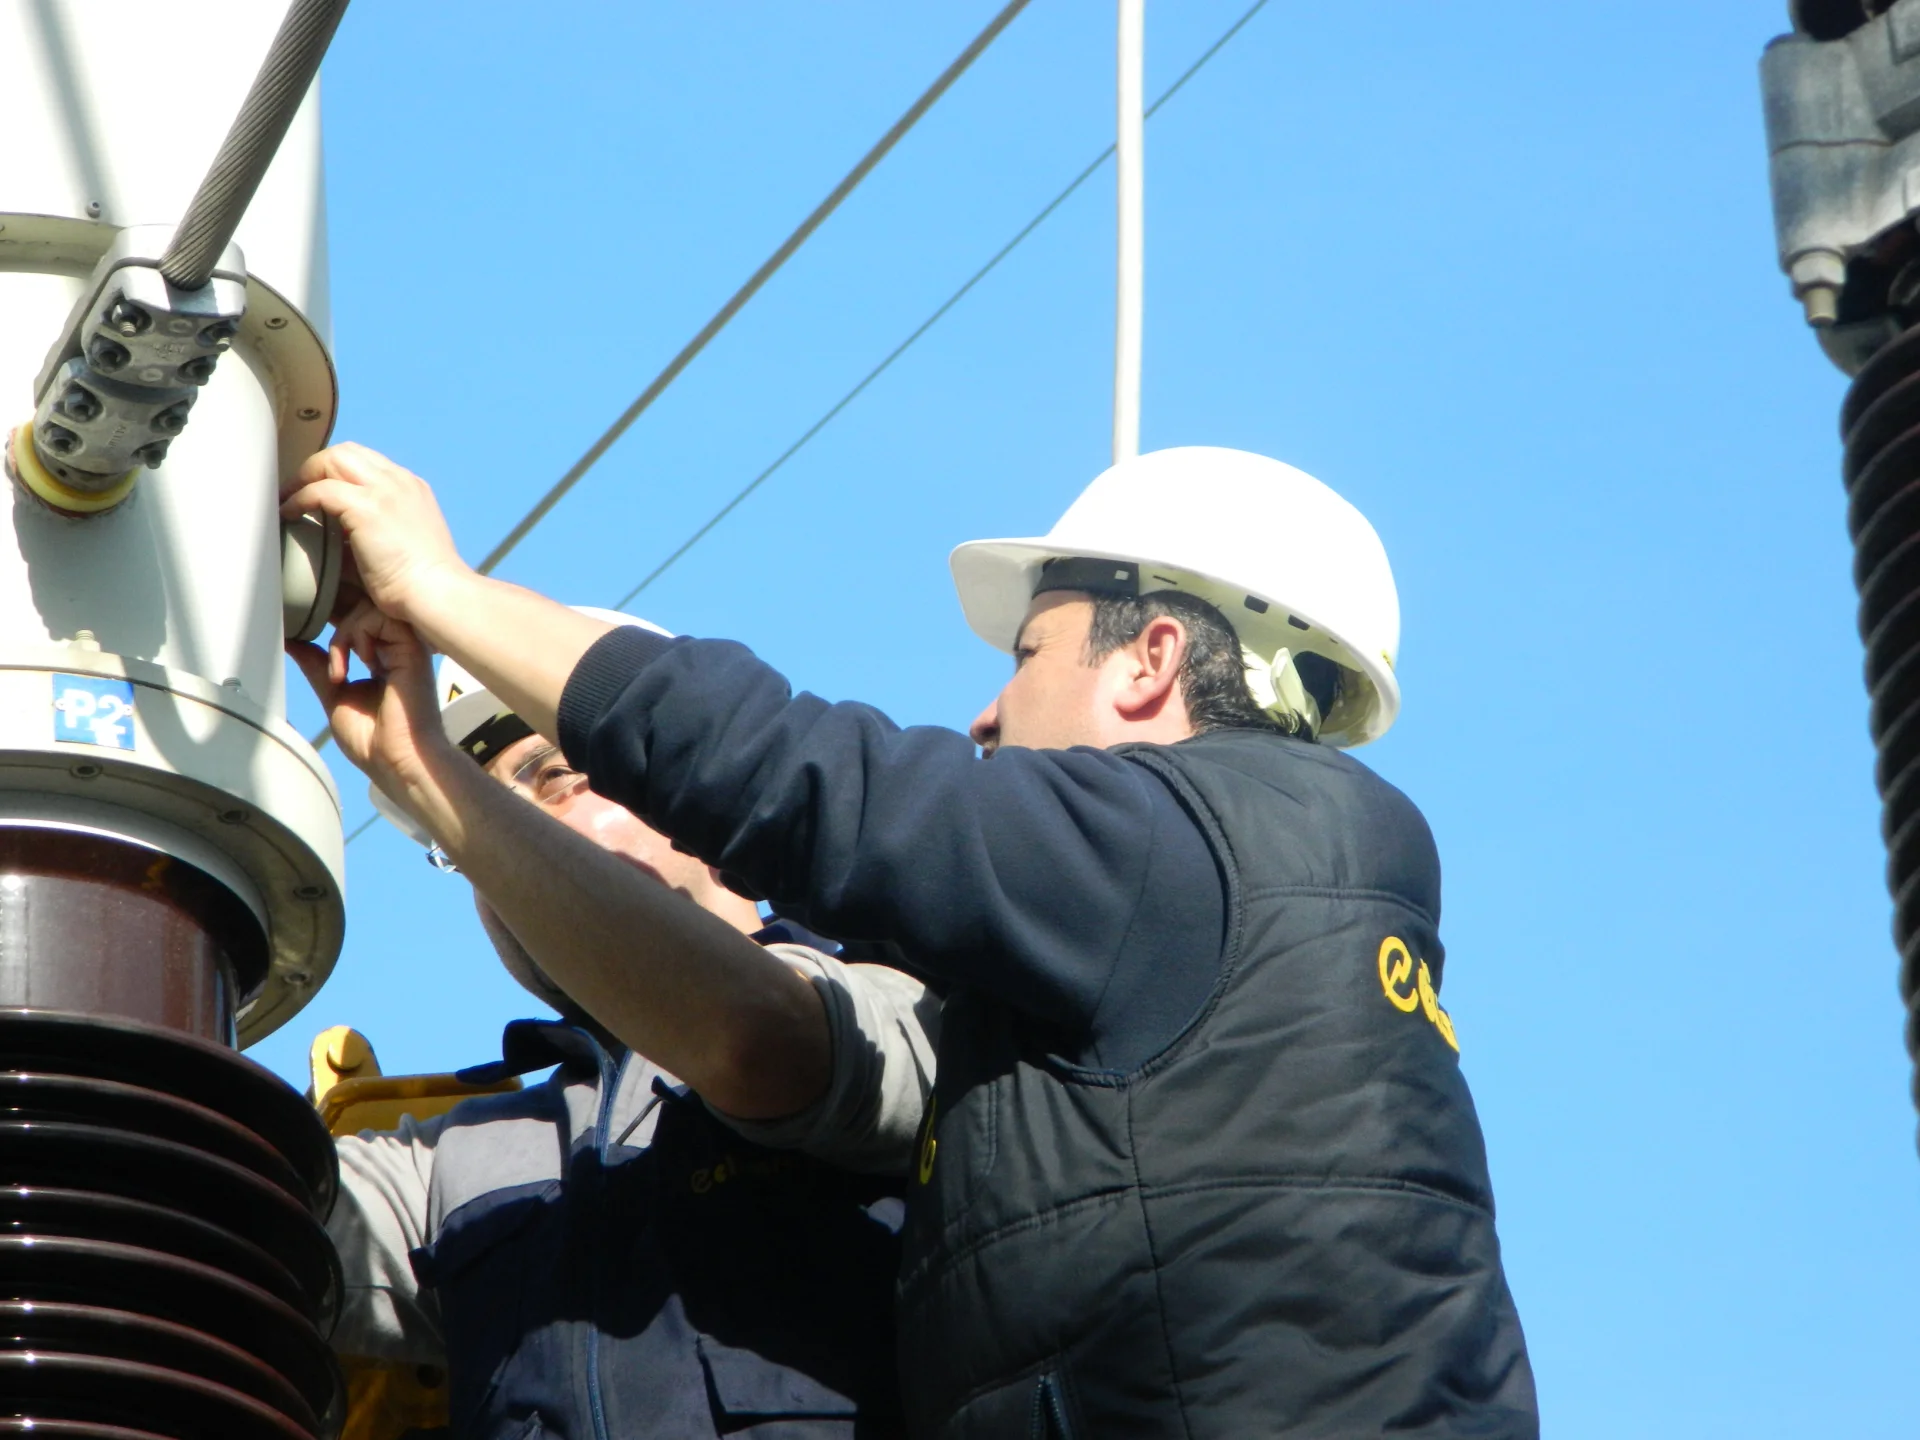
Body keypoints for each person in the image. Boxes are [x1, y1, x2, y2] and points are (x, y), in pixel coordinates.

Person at [287, 441, 1538, 1438]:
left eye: (1025, 653)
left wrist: (442, 600)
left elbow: (809, 792)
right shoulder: (1181, 941)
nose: (985, 714)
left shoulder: (1183, 852)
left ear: (1152, 659)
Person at [300, 606, 938, 1439]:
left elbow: (753, 1041)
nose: (500, 854)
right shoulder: (455, 1163)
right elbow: (219, 1228)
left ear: (693, 788)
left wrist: (430, 778)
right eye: (469, 842)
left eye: (552, 776)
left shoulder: (908, 1002)